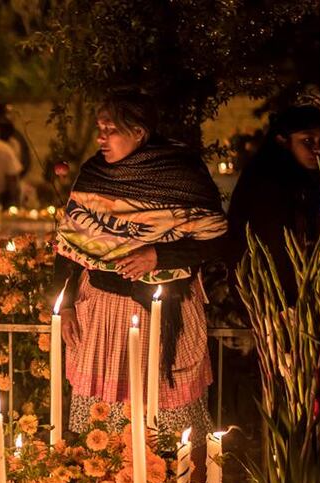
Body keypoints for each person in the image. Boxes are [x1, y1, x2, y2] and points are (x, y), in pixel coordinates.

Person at [54, 90, 228, 446]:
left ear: (139, 131)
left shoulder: (181, 174)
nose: (101, 137)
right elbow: (70, 245)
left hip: (165, 310)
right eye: (100, 128)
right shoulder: (94, 175)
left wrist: (158, 257)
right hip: (103, 312)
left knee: (170, 427)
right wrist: (66, 304)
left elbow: (216, 238)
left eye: (110, 129)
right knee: (104, 430)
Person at [228, 105, 320, 303]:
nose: (318, 149)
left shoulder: (302, 179)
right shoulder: (267, 182)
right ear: (282, 140)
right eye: (307, 140)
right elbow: (273, 246)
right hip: (270, 297)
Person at [0, 103, 32, 178]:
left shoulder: (16, 135)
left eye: (12, 113)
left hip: (15, 176)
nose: (12, 116)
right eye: (8, 113)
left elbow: (26, 157)